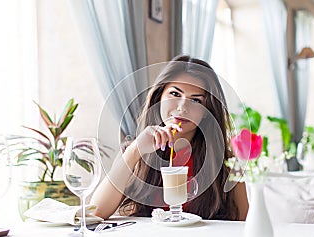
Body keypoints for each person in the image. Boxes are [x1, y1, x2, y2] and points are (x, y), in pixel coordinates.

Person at [91, 55, 248, 220]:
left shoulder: (226, 162)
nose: (182, 107)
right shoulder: (134, 152)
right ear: (159, 97)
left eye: (196, 100)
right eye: (175, 94)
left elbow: (242, 222)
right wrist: (135, 150)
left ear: (206, 112)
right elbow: (96, 212)